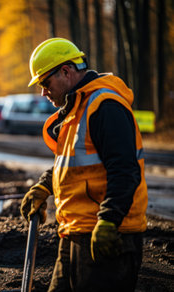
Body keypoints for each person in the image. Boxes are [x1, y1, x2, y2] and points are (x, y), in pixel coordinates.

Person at [20, 37, 147, 291]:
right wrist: (45, 186)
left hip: (107, 235)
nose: (43, 92)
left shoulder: (104, 106)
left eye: (45, 83)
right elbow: (73, 165)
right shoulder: (75, 109)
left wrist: (109, 221)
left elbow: (125, 169)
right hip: (75, 233)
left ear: (66, 71)